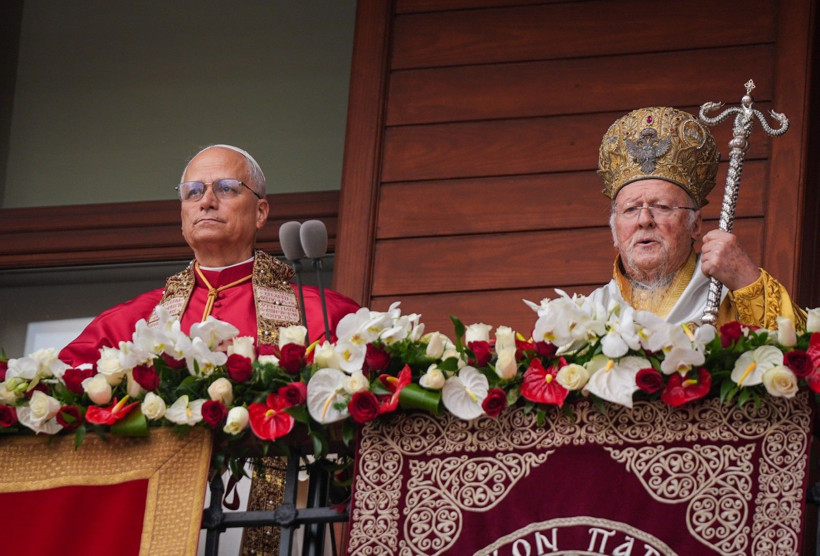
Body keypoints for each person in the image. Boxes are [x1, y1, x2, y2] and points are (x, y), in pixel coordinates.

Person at [60, 144, 359, 367]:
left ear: (260, 212)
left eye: (226, 188)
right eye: (193, 192)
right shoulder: (126, 324)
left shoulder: (323, 314)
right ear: (182, 216)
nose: (206, 201)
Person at [593, 106, 805, 329]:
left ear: (696, 225)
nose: (644, 219)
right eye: (630, 209)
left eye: (663, 206)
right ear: (615, 232)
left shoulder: (729, 297)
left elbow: (805, 350)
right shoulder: (587, 315)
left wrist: (749, 283)